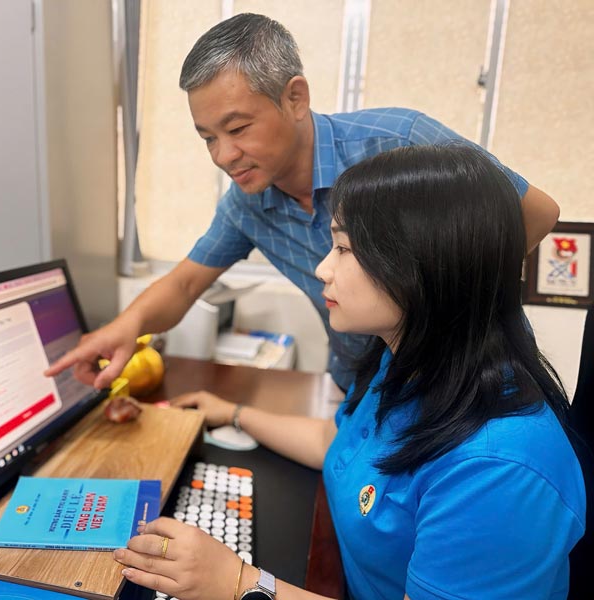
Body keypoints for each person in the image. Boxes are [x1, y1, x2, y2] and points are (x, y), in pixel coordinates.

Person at [111, 144, 586, 600]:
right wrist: (233, 413)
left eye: (342, 249)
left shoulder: (500, 472)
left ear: (422, 263)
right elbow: (338, 445)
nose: (322, 269)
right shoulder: (407, 360)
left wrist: (238, 584)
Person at [45, 13, 560, 394]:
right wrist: (122, 328)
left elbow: (537, 213)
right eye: (207, 138)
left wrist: (442, 302)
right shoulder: (247, 202)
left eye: (238, 128)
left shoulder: (399, 142)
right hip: (362, 387)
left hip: (458, 383)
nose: (224, 155)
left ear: (295, 97)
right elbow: (184, 283)